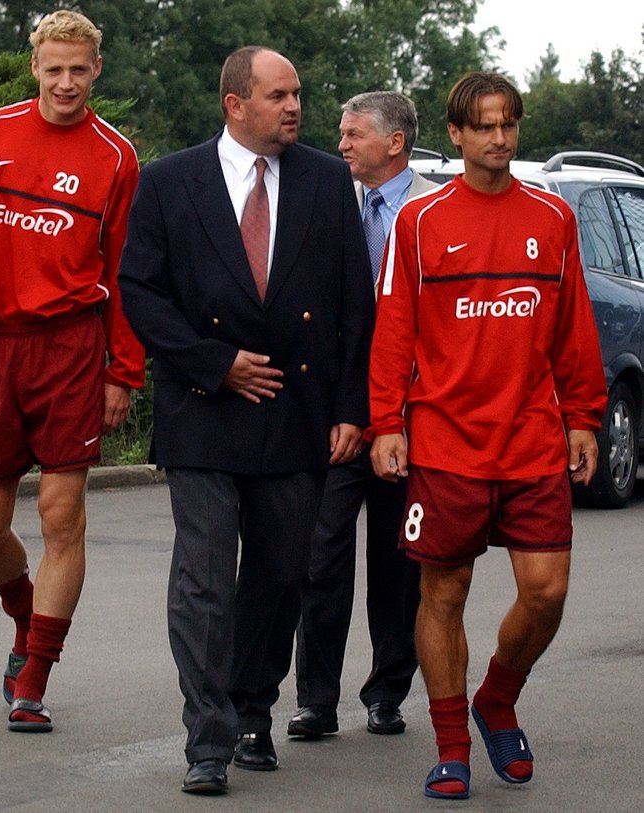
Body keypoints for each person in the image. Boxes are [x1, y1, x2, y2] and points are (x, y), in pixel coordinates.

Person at [119, 46, 375, 793]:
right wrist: (211, 361)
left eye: (297, 94)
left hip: (296, 410)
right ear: (236, 103)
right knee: (203, 574)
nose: (295, 106)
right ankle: (208, 736)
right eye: (279, 95)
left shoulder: (328, 180)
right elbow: (139, 290)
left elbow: (354, 306)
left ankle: (252, 705)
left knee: (281, 568)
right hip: (203, 407)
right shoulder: (170, 181)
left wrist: (351, 409)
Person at [369, 71, 607, 800]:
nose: (499, 138)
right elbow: (394, 331)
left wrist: (584, 417)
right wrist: (386, 422)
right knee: (443, 592)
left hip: (534, 439)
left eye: (508, 124)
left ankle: (496, 698)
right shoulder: (420, 220)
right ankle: (450, 745)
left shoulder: (553, 217)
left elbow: (574, 331)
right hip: (445, 443)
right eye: (485, 126)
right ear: (457, 134)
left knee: (547, 590)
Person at [0, 9, 144, 734]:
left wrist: (123, 367)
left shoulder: (116, 157)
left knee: (61, 516)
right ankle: (26, 615)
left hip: (69, 349)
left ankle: (33, 675)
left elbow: (126, 270)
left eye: (79, 69)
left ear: (97, 70)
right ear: (35, 67)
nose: (66, 82)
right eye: (53, 68)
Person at [289, 91, 436, 740]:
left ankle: (387, 692)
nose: (341, 145)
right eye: (341, 135)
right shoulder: (330, 201)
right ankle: (316, 699)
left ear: (394, 142)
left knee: (400, 560)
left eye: (353, 135)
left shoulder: (435, 206)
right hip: (344, 412)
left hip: (416, 413)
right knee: (321, 552)